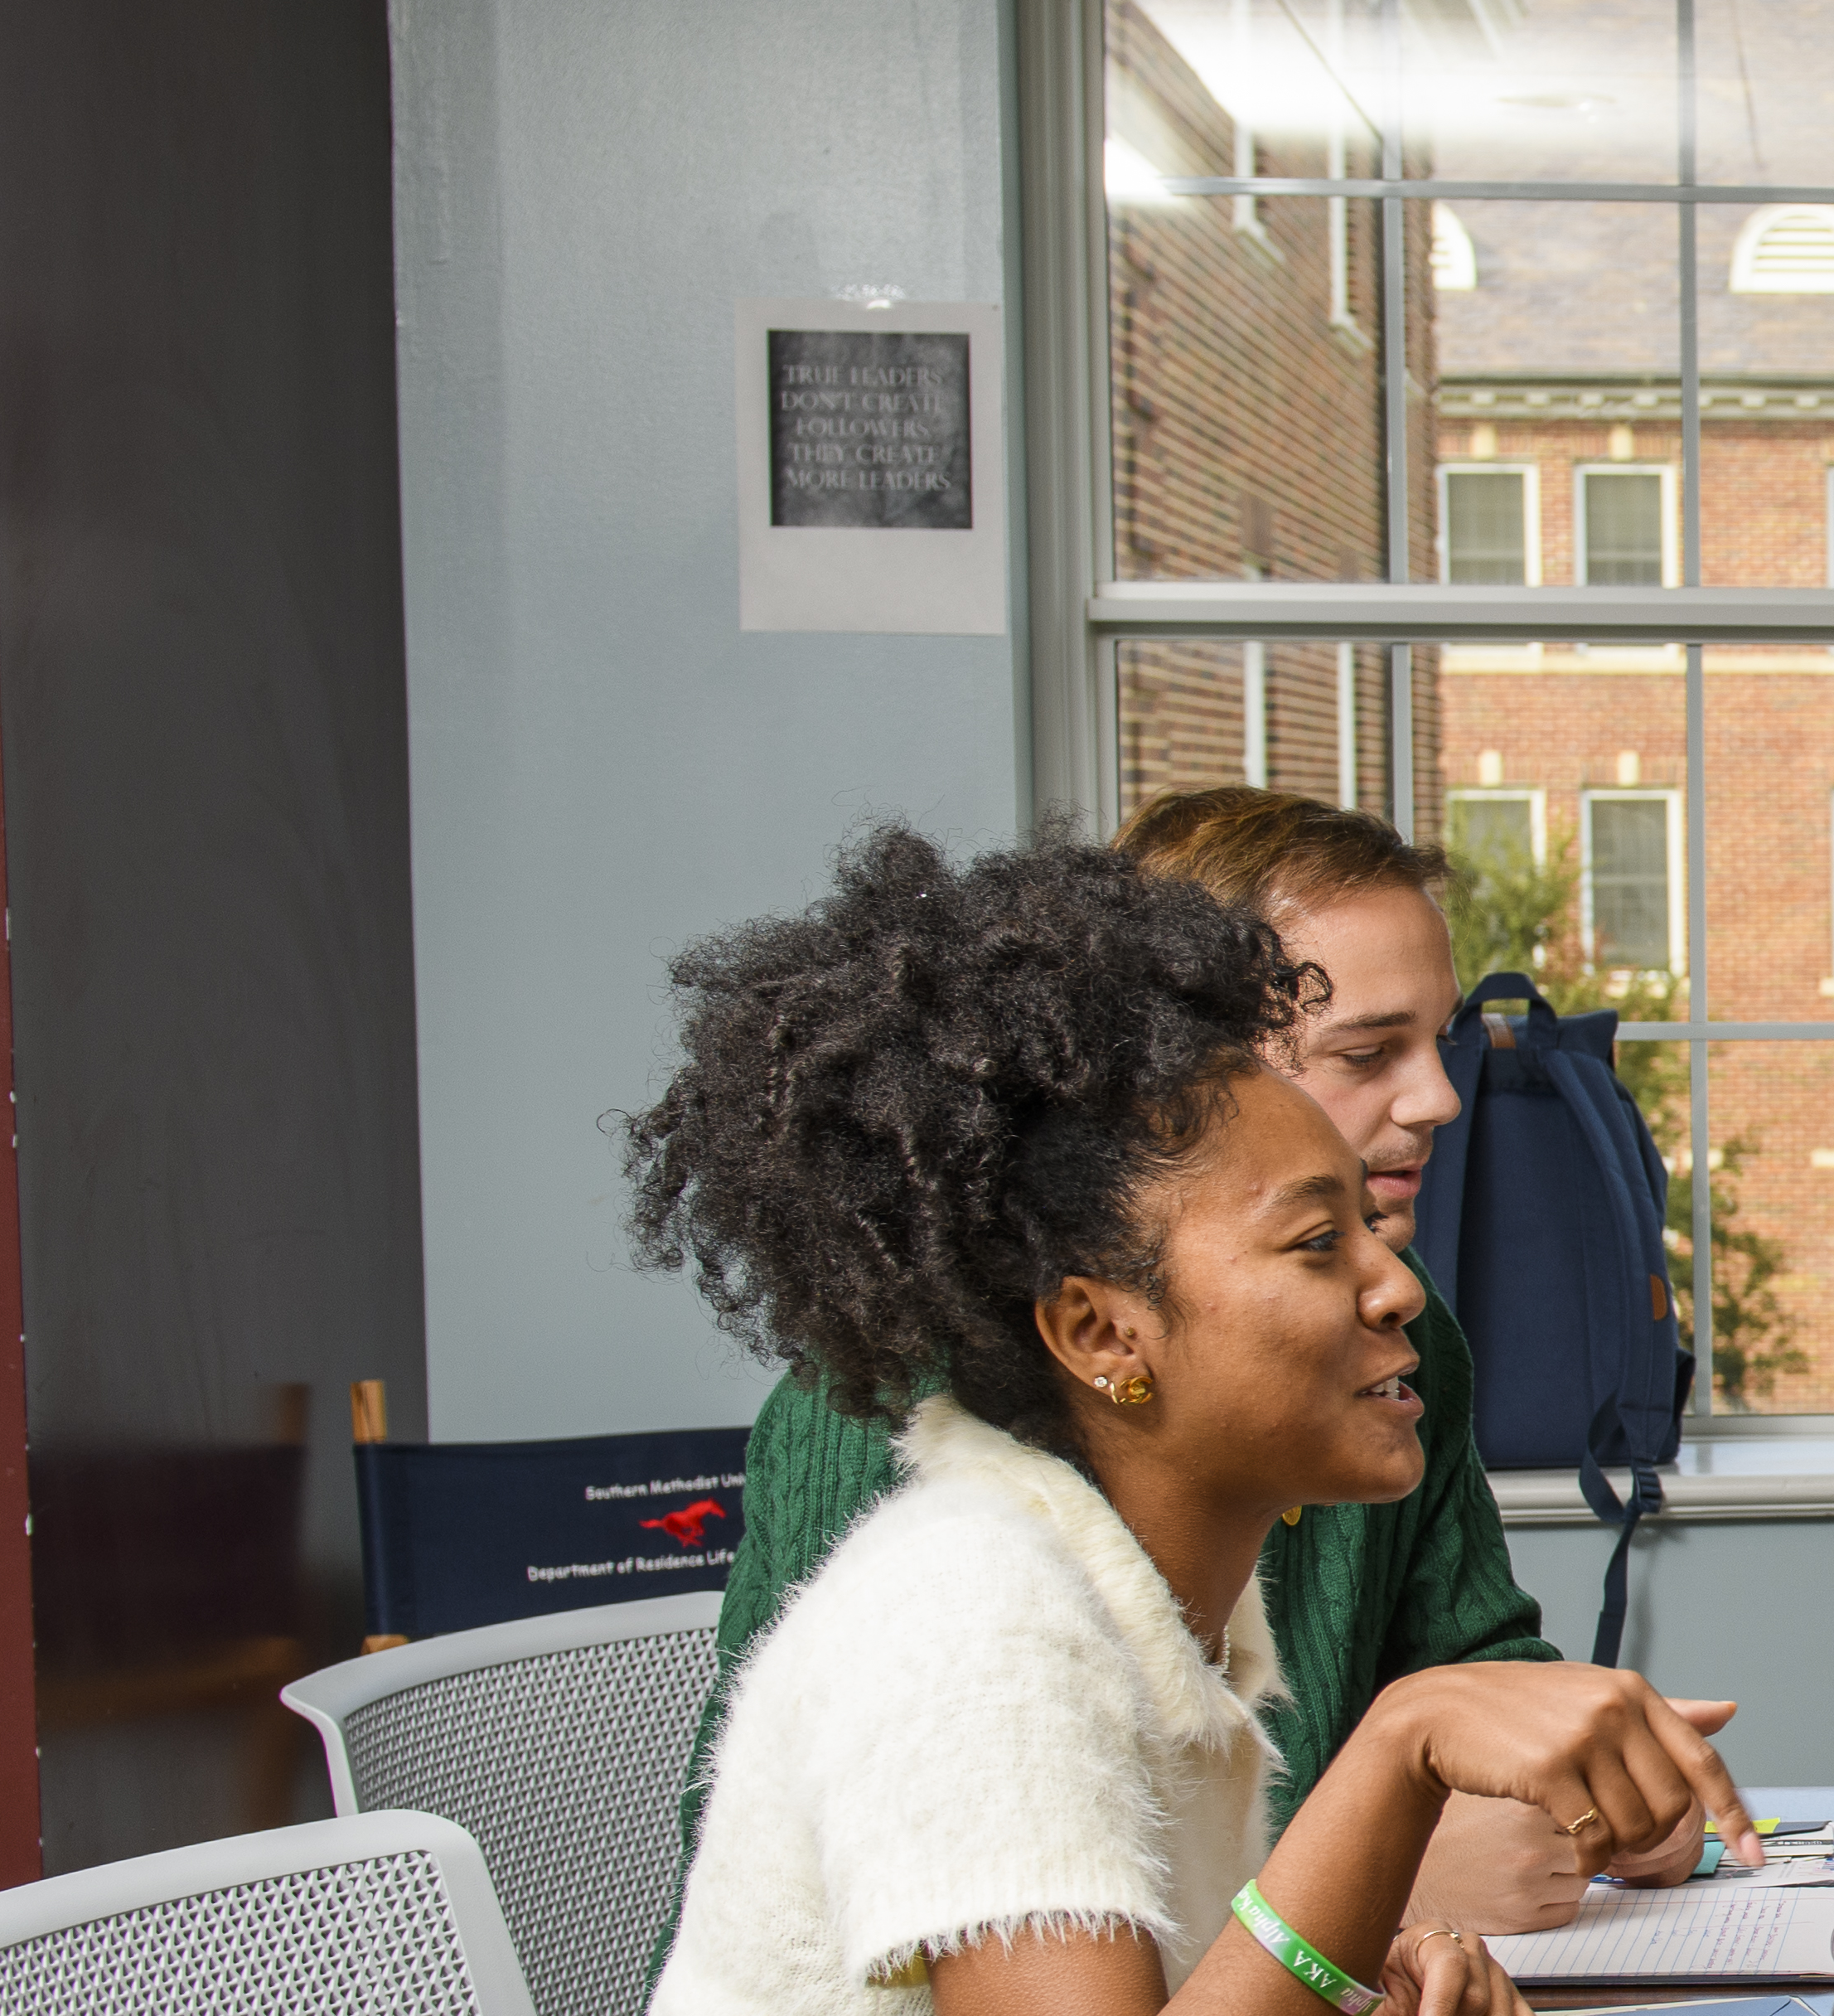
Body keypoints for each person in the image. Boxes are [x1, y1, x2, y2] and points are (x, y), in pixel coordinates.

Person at [414, 831, 1757, 2016]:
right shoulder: (976, 1612)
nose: (1395, 1287)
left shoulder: (1152, 1617)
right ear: (1102, 1331)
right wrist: (1407, 1741)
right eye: (1310, 1242)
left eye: (1366, 1227)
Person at [692, 788, 1670, 1937]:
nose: (1440, 1098)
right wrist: (1378, 1879)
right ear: (1170, 1074)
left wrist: (1580, 1771)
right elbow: (933, 1879)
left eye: (1439, 1042)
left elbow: (1465, 1658)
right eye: (1367, 1051)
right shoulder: (883, 1408)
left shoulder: (1400, 1332)